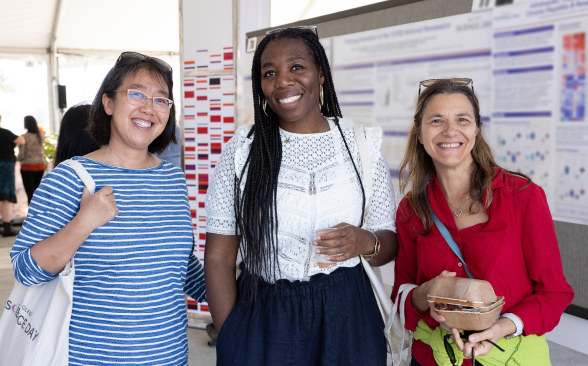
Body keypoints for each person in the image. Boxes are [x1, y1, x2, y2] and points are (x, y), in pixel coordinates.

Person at [205, 27, 398, 365]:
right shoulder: (243, 151)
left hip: (348, 314)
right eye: (270, 72)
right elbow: (220, 257)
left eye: (297, 67)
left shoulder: (361, 145)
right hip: (264, 314)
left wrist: (364, 242)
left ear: (320, 73)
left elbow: (388, 244)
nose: (283, 81)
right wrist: (232, 335)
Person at [11, 52, 205, 365]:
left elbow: (178, 267)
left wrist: (242, 287)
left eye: (161, 99)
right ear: (109, 103)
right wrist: (83, 223)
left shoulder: (172, 179)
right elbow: (25, 270)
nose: (148, 107)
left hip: (168, 356)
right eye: (137, 93)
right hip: (90, 357)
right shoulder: (70, 178)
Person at [392, 79, 574, 366]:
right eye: (437, 120)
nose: (450, 131)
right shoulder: (411, 210)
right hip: (432, 359)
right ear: (420, 134)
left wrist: (500, 328)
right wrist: (425, 293)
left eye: (462, 120)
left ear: (476, 129)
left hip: (508, 356)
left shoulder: (522, 197)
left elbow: (554, 293)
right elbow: (401, 297)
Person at [0, 114, 25, 236]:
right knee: (5, 197)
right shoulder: (5, 132)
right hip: (6, 167)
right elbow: (21, 140)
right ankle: (7, 227)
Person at [17, 115, 46, 204]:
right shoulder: (40, 136)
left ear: (27, 124)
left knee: (30, 194)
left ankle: (31, 215)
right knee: (37, 192)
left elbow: (21, 155)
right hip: (40, 165)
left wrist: (15, 158)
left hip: (27, 167)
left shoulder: (23, 137)